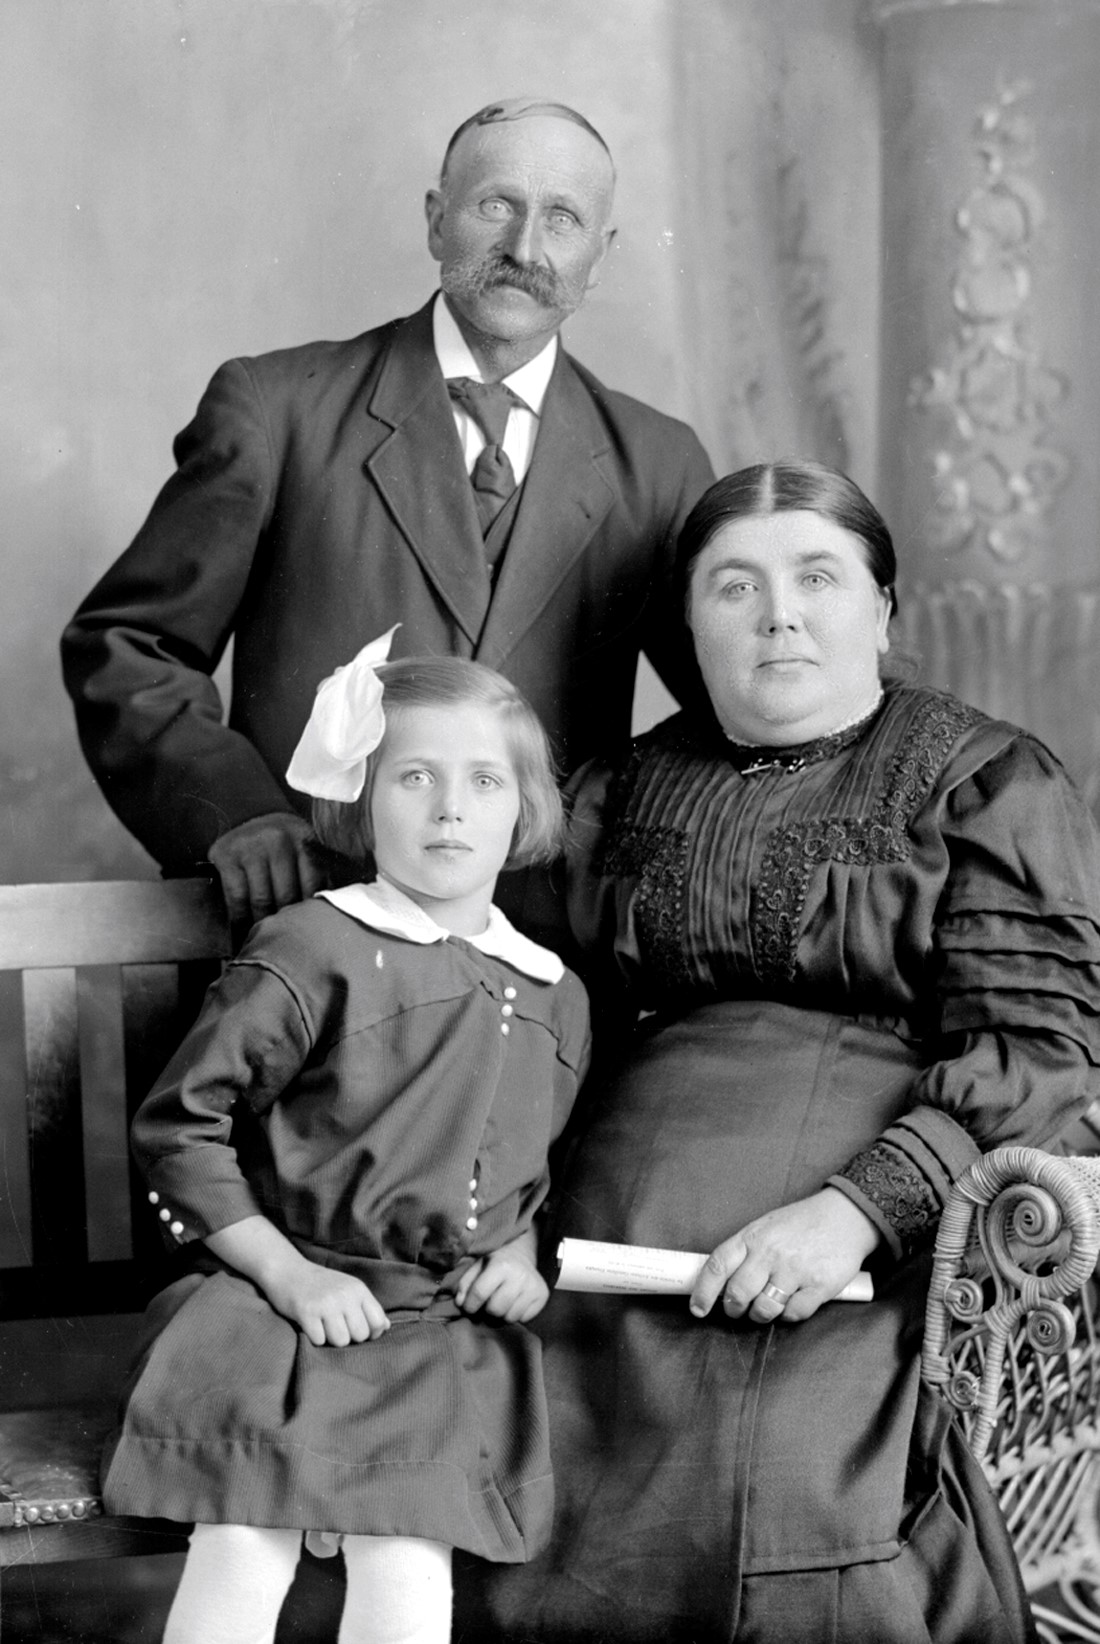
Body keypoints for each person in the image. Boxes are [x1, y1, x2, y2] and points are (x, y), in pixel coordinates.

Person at [465, 461, 1100, 1642]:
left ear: (881, 608)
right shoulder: (611, 791)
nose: (779, 615)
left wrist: (852, 1214)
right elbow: (523, 1019)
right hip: (593, 1241)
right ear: (688, 626)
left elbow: (1040, 1053)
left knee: (798, 1483)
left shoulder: (983, 780)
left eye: (817, 577)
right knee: (494, 1465)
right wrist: (498, 1203)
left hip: (865, 1251)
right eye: (732, 587)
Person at [60, 96, 714, 939]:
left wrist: (607, 828)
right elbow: (128, 648)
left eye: (563, 218)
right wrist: (235, 815)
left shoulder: (659, 463)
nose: (525, 248)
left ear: (602, 254)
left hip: (550, 961)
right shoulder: (277, 410)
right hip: (310, 941)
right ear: (438, 219)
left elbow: (737, 708)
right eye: (495, 206)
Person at [101, 636, 590, 1644]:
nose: (450, 807)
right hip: (274, 1314)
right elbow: (179, 1129)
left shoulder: (551, 991)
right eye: (414, 777)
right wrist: (290, 1278)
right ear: (362, 800)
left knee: (408, 1568)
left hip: (426, 1338)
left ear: (524, 809)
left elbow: (524, 1169)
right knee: (243, 1542)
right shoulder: (312, 947)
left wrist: (512, 1249)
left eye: (483, 780)